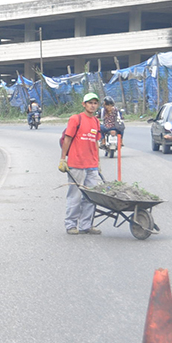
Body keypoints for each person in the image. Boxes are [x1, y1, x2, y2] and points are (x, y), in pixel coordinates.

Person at [58, 92, 104, 235]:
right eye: (90, 103)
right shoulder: (75, 119)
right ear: (84, 104)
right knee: (75, 196)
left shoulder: (96, 121)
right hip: (76, 164)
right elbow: (67, 139)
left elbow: (95, 142)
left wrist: (98, 162)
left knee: (91, 196)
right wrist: (63, 159)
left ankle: (86, 225)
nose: (92, 105)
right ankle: (71, 225)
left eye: (95, 103)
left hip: (91, 165)